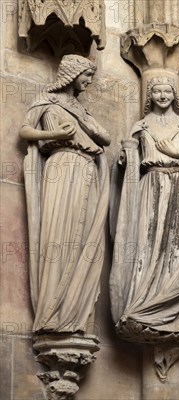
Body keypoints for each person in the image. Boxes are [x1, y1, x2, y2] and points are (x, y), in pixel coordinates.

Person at [109, 75, 179, 344]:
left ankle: (170, 306)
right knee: (146, 245)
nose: (162, 95)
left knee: (175, 249)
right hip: (150, 185)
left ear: (174, 95)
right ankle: (144, 303)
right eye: (157, 91)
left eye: (167, 91)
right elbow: (127, 160)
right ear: (149, 95)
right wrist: (125, 157)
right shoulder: (140, 126)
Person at [20, 54, 110, 334]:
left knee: (83, 237)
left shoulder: (81, 110)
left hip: (86, 167)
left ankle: (76, 312)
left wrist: (87, 125)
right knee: (59, 233)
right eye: (86, 76)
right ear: (72, 74)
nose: (89, 81)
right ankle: (53, 309)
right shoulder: (47, 101)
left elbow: (105, 138)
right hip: (61, 166)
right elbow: (25, 130)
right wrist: (55, 133)